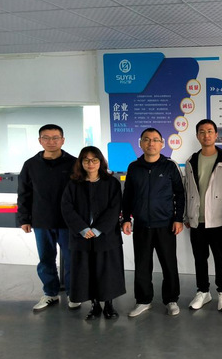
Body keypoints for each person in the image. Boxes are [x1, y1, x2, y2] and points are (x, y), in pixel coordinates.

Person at [122, 128, 185, 317]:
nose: (151, 143)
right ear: (140, 143)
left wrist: (178, 219)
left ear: (162, 144)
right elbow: (128, 195)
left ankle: (171, 300)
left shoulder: (169, 166)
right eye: (147, 139)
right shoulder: (134, 167)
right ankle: (143, 301)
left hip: (165, 224)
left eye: (155, 140)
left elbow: (180, 194)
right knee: (142, 265)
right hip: (142, 224)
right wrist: (126, 218)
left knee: (169, 264)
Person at [17, 124, 80, 311]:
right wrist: (24, 219)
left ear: (63, 140)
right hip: (41, 220)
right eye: (46, 138)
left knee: (72, 259)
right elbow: (24, 193)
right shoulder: (30, 165)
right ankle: (50, 293)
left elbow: (82, 193)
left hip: (68, 222)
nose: (51, 141)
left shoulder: (74, 163)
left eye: (55, 138)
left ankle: (73, 293)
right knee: (45, 259)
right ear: (40, 140)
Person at [61, 147, 125, 320]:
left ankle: (109, 305)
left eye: (94, 160)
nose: (90, 163)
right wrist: (82, 229)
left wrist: (98, 229)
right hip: (81, 237)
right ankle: (94, 305)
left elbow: (115, 208)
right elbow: (66, 207)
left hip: (106, 237)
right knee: (86, 272)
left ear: (100, 162)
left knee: (107, 272)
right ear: (81, 163)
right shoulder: (73, 184)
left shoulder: (111, 183)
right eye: (86, 160)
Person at [184, 119, 222, 312]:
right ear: (197, 136)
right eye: (202, 131)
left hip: (218, 218)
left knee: (220, 258)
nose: (206, 135)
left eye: (209, 131)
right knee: (200, 258)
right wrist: (186, 215)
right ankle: (203, 292)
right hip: (196, 219)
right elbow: (187, 190)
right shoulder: (191, 160)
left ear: (216, 135)